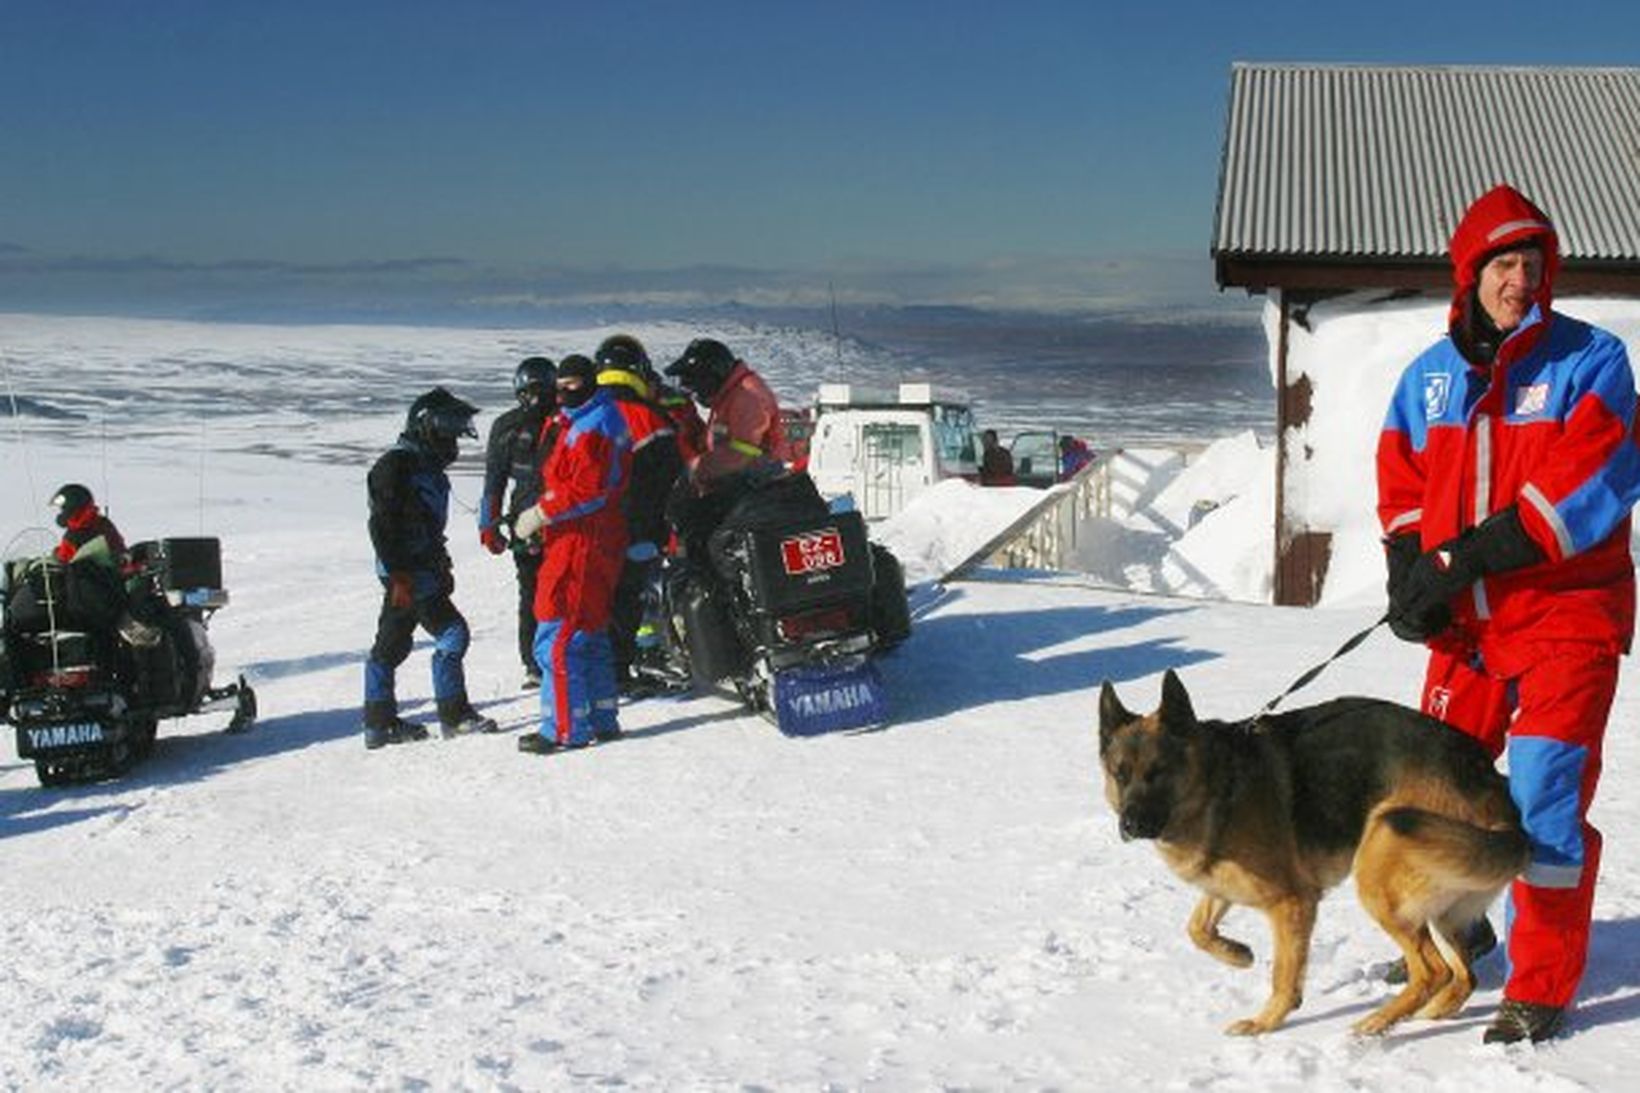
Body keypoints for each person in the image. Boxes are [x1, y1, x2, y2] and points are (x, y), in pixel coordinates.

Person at [1376, 184, 1640, 1044]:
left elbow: (1592, 485)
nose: (1520, 279)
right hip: (1468, 629)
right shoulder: (1428, 378)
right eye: (1503, 262)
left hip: (1568, 620)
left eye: (1533, 263)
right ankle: (1461, 928)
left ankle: (1542, 981)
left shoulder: (1593, 361)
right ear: (1471, 272)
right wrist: (1409, 575)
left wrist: (1477, 552)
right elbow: (1403, 486)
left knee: (1541, 801)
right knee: (1436, 788)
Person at [362, 387, 498, 749]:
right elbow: (382, 525)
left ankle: (378, 725)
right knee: (453, 633)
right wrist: (399, 576)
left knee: (390, 644)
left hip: (415, 570)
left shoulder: (422, 465)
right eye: (448, 430)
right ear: (426, 426)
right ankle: (455, 717)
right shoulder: (397, 466)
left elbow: (422, 525)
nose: (453, 439)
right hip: (407, 573)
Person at [510, 354, 633, 753]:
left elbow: (587, 488)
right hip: (585, 536)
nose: (563, 394)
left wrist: (540, 513)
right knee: (589, 633)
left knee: (557, 635)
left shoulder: (593, 426)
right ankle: (601, 717)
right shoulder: (585, 419)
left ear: (590, 383)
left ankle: (562, 729)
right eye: (559, 386)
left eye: (572, 385)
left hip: (582, 540)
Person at [594, 336, 684, 694]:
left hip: (588, 531)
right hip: (636, 531)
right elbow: (673, 482)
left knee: (593, 604)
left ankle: (589, 673)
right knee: (630, 600)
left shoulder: (579, 416)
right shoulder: (650, 419)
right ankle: (619, 671)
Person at [478, 356, 557, 689]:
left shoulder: (510, 425)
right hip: (546, 520)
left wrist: (489, 525)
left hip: (533, 520)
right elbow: (494, 481)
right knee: (547, 591)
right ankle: (541, 661)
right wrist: (488, 525)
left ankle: (539, 662)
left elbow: (493, 482)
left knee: (536, 592)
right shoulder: (561, 421)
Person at [50, 483, 126, 564]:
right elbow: (119, 547)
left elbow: (63, 558)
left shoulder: (74, 535)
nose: (62, 514)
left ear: (72, 509)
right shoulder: (103, 523)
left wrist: (55, 553)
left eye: (63, 510)